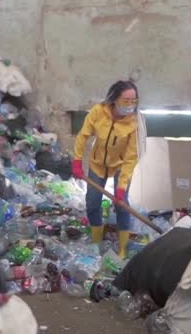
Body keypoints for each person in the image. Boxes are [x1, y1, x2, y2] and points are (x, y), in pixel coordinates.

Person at [72, 80, 146, 259]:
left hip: (120, 165)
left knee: (122, 205)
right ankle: (96, 242)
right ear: (114, 99)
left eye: (133, 101)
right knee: (92, 202)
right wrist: (77, 161)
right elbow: (83, 136)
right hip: (97, 164)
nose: (130, 105)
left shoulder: (135, 123)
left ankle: (122, 248)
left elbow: (130, 158)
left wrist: (121, 187)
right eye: (126, 100)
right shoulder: (99, 112)